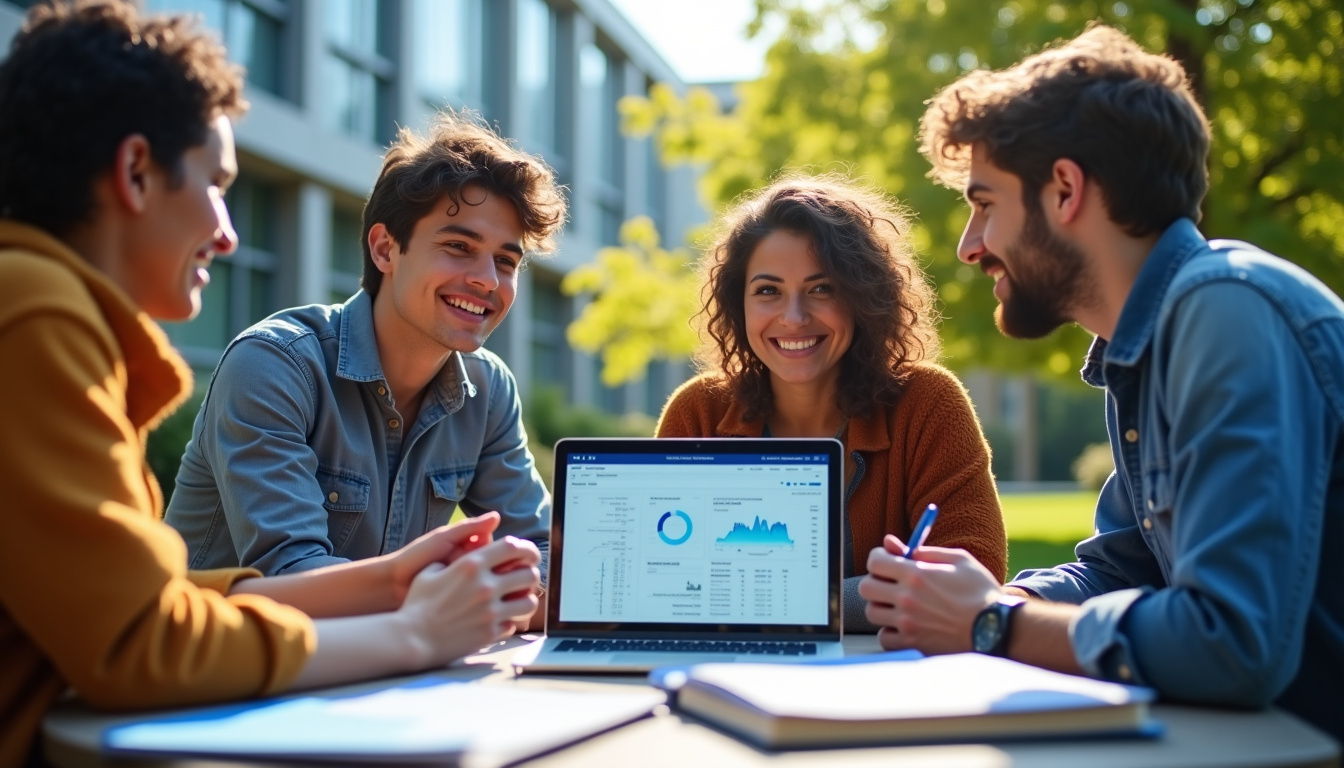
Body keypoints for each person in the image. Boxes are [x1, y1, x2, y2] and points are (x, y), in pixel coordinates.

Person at [0, 3, 539, 765]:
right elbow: (139, 643)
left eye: (507, 261)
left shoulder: (37, 307)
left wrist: (394, 581)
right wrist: (415, 628)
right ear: (135, 172)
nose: (227, 233)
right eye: (218, 185)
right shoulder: (33, 313)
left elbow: (151, 604)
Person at [860, 26, 1343, 740]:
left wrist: (992, 622)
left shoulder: (1226, 313)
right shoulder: (1141, 347)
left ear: (1065, 190)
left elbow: (1231, 643)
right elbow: (1123, 567)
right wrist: (990, 597)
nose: (969, 246)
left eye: (986, 203)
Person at [164, 112, 564, 593]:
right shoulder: (274, 365)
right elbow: (288, 578)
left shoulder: (488, 389)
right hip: (228, 662)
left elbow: (545, 556)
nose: (487, 280)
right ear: (385, 250)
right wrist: (457, 590)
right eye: (459, 246)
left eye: (505, 260)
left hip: (393, 661)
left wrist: (514, 587)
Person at [656, 176, 1008, 632]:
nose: (795, 316)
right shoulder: (699, 412)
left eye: (822, 288)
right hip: (734, 670)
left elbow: (973, 581)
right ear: (737, 305)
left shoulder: (929, 403)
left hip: (889, 682)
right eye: (768, 291)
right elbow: (663, 583)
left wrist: (761, 599)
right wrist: (867, 596)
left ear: (862, 297)